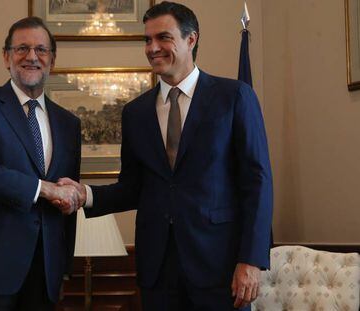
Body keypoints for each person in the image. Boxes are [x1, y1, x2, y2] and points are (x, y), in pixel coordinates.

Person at [60, 1, 273, 310]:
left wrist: (251, 260)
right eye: (147, 40)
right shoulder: (135, 112)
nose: (152, 48)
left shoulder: (234, 97)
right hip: (157, 271)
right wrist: (85, 195)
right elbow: (133, 188)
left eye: (163, 38)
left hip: (220, 268)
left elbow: (258, 183)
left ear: (191, 39)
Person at [0, 16, 84, 311]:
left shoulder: (69, 123)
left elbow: (68, 200)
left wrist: (63, 269)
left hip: (44, 274)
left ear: (52, 60)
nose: (31, 57)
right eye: (21, 48)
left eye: (41, 50)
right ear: (6, 56)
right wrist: (44, 189)